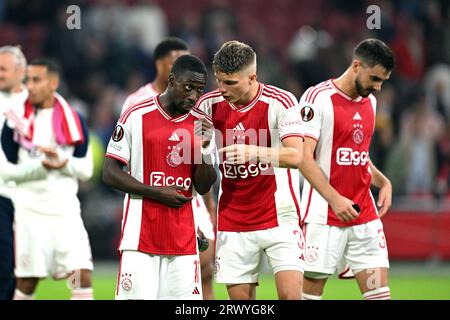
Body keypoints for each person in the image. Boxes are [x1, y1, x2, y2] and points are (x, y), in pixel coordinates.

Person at [195, 40, 305, 300]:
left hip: (279, 215)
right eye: (219, 80)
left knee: (291, 297)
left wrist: (253, 151)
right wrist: (203, 147)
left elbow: (296, 155)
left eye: (230, 83)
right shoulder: (207, 106)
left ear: (252, 77)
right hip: (234, 220)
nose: (222, 89)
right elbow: (198, 166)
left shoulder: (281, 101)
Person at [103, 54, 217, 300]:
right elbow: (109, 173)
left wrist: (206, 148)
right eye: (188, 88)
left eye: (199, 90)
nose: (193, 97)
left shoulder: (201, 123)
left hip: (183, 241)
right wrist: (157, 192)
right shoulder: (136, 114)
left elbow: (203, 184)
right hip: (140, 239)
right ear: (172, 79)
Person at [297, 38, 394, 300]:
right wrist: (335, 199)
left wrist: (383, 181)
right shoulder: (316, 98)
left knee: (378, 294)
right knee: (310, 296)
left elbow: (358, 156)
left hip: (364, 216)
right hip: (323, 216)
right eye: (375, 78)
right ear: (356, 65)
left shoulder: (370, 102)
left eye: (382, 81)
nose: (378, 87)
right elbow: (303, 157)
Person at [2, 58, 94, 300]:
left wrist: (63, 164)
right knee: (28, 282)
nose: (29, 86)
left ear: (53, 83)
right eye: (27, 80)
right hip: (30, 214)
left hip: (65, 213)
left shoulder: (73, 120)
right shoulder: (14, 122)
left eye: (36, 80)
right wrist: (40, 167)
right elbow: (6, 172)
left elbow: (86, 170)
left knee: (80, 276)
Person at [0, 45, 28, 300]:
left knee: (23, 269)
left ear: (21, 71)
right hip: (2, 195)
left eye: (3, 69)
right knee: (4, 266)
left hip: (25, 198)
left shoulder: (34, 104)